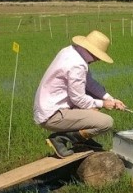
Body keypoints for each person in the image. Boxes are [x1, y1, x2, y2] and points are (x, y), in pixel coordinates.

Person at [33, 30, 127, 158]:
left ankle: (82, 139)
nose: (98, 59)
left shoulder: (71, 51)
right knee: (106, 122)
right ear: (93, 52)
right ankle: (61, 139)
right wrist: (104, 104)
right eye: (98, 56)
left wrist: (111, 98)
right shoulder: (77, 65)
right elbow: (78, 99)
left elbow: (89, 83)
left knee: (92, 103)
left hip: (49, 106)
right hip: (52, 115)